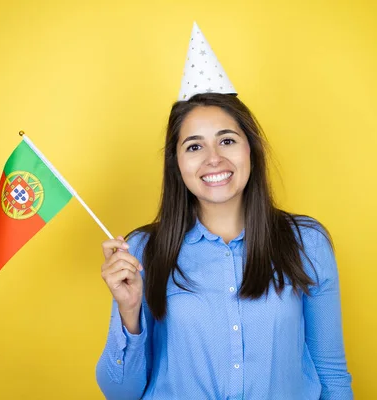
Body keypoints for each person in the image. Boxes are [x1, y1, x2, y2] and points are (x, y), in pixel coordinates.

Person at [96, 22, 353, 400]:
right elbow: (121, 394)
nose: (214, 159)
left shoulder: (307, 244)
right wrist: (129, 311)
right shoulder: (142, 250)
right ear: (177, 163)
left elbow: (331, 373)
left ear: (251, 149)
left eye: (227, 140)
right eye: (194, 147)